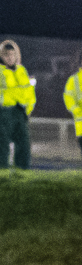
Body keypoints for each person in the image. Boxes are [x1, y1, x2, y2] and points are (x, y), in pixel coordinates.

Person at [0, 40, 36, 170]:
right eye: (6, 55)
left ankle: (22, 173)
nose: (10, 57)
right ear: (1, 56)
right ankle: (2, 174)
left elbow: (29, 91)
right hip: (4, 111)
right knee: (2, 146)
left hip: (20, 111)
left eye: (12, 54)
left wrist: (28, 109)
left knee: (24, 144)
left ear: (16, 55)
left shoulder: (22, 70)